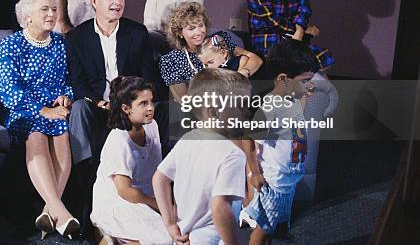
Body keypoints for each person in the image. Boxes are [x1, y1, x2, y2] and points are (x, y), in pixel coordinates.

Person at [65, 0, 167, 237]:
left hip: (128, 107)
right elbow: (78, 83)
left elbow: (147, 77)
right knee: (78, 109)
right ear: (94, 0)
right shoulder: (77, 37)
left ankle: (165, 185)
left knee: (164, 109)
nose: (118, 2)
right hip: (96, 106)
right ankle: (85, 190)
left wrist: (130, 103)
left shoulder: (137, 32)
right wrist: (97, 101)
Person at [0, 0, 78, 237]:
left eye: (54, 9)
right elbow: (8, 91)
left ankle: (49, 209)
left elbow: (71, 80)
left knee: (62, 133)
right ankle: (61, 212)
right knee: (37, 133)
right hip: (24, 108)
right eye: (45, 9)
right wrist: (41, 109)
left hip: (56, 107)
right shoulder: (9, 45)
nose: (52, 14)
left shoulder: (62, 43)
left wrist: (66, 96)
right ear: (27, 15)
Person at [153, 68, 250, 244]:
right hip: (213, 238)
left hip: (183, 235)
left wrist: (169, 223)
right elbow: (220, 208)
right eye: (240, 105)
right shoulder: (233, 154)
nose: (247, 112)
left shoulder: (187, 139)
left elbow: (159, 178)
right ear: (212, 112)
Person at [239, 39, 318, 245]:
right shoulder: (271, 107)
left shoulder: (292, 98)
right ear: (283, 79)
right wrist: (254, 173)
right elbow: (248, 138)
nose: (309, 85)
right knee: (263, 230)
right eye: (305, 80)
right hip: (274, 181)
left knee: (272, 226)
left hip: (288, 179)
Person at [91, 76, 170, 244]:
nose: (150, 108)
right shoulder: (118, 139)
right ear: (126, 108)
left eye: (151, 102)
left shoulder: (152, 126)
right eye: (143, 104)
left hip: (146, 197)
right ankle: (109, 236)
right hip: (121, 202)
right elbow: (124, 190)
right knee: (162, 239)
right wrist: (159, 205)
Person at [159, 2, 261, 103]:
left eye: (200, 25)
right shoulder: (170, 60)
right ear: (179, 33)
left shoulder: (217, 43)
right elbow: (183, 99)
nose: (198, 32)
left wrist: (243, 73)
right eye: (191, 28)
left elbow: (255, 59)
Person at [198, 32, 263, 76]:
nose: (208, 68)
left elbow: (255, 59)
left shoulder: (240, 60)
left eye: (211, 62)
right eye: (205, 65)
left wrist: (244, 72)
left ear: (224, 53)